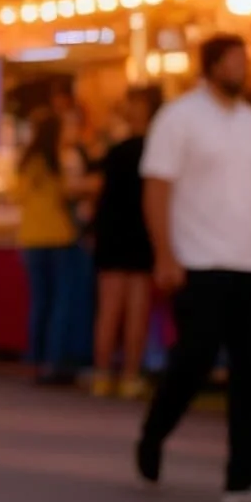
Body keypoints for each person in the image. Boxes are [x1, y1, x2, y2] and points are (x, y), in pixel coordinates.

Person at [136, 36, 251, 502]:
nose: (242, 69)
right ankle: (154, 432)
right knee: (194, 359)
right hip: (198, 262)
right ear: (213, 66)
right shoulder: (179, 118)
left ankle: (243, 475)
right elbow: (157, 188)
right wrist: (164, 254)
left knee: (250, 370)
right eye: (234, 62)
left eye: (246, 61)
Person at [90, 86, 162, 400]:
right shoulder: (159, 152)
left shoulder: (117, 150)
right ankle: (130, 375)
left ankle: (103, 374)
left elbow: (102, 197)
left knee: (110, 308)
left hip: (114, 235)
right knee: (135, 309)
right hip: (143, 234)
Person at [15, 109, 83, 385]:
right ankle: (53, 363)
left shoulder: (27, 162)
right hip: (58, 237)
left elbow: (16, 195)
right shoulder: (59, 161)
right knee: (59, 304)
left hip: (30, 237)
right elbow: (67, 193)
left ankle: (35, 360)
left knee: (40, 302)